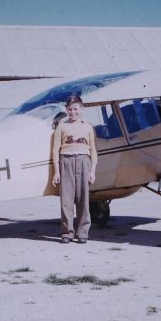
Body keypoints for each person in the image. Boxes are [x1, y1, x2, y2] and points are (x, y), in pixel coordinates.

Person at [51, 95, 98, 243]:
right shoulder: (61, 126)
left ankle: (83, 232)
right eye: (70, 109)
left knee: (83, 199)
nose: (73, 112)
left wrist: (92, 171)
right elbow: (55, 150)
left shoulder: (88, 126)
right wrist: (57, 172)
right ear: (66, 110)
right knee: (66, 200)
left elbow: (93, 151)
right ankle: (67, 233)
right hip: (66, 162)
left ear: (82, 109)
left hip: (84, 162)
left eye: (76, 109)